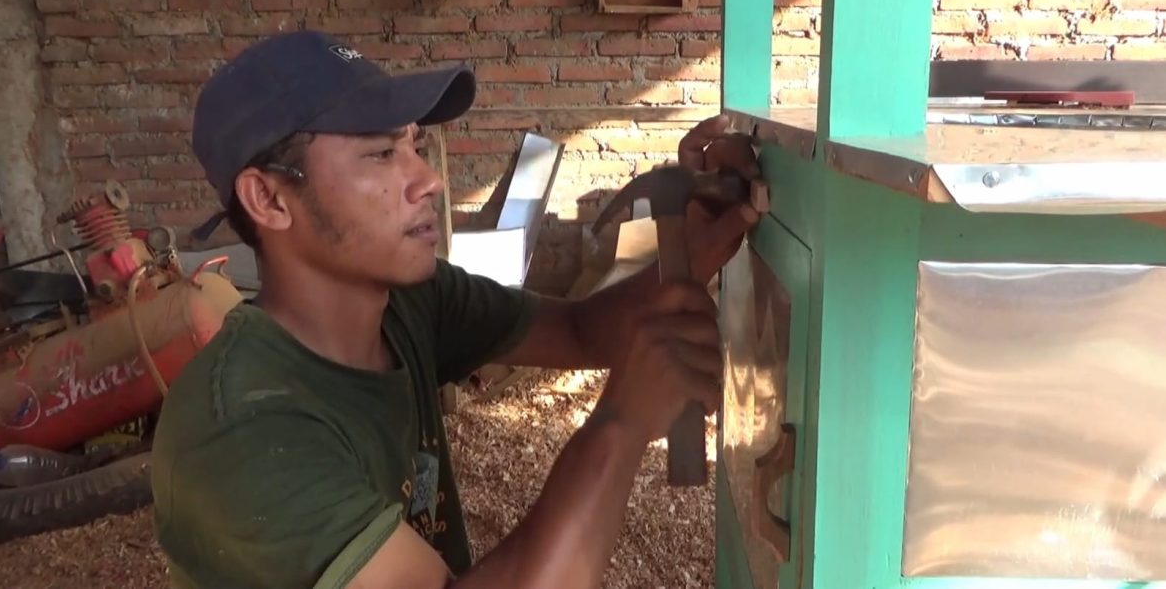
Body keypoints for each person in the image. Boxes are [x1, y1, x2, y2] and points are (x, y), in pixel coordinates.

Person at [150, 30, 761, 589]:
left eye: (414, 145)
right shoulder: (244, 430)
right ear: (268, 198)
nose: (428, 180)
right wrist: (621, 425)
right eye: (381, 154)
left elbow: (579, 330)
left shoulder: (411, 301)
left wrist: (698, 245)